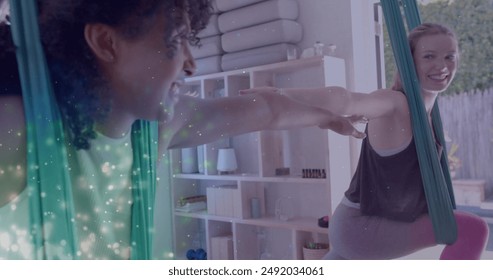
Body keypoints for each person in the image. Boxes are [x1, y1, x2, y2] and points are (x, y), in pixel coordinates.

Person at [0, 0, 365, 259]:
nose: (190, 64)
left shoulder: (154, 129)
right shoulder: (19, 130)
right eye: (176, 41)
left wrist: (323, 116)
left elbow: (267, 109)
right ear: (106, 42)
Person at [241, 23, 489, 260]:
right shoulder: (395, 103)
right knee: (472, 230)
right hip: (363, 226)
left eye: (450, 57)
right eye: (429, 56)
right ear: (409, 62)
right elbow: (345, 100)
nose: (442, 66)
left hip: (357, 224)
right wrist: (280, 94)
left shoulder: (428, 114)